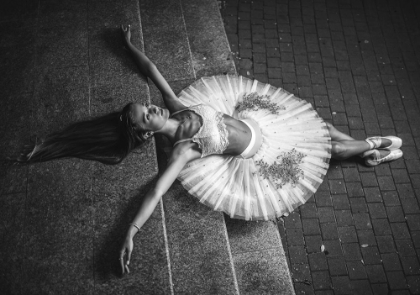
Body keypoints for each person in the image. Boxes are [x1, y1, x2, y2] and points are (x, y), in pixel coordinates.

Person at [15, 25, 403, 274]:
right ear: (147, 134)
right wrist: (130, 232)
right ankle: (372, 147)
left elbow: (151, 70)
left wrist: (129, 45)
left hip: (257, 121)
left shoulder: (177, 105)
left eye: (145, 104)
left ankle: (368, 149)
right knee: (327, 147)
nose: (151, 106)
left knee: (317, 126)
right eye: (146, 115)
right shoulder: (183, 149)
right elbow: (155, 191)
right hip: (256, 152)